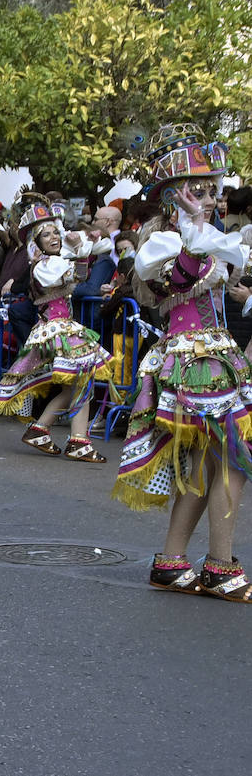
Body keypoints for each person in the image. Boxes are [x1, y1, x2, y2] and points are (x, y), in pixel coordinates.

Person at [113, 125, 252, 602]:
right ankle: (220, 565)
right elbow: (170, 287)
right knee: (231, 458)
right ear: (174, 195)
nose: (209, 197)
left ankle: (173, 562)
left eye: (213, 189)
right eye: (198, 189)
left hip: (216, 354)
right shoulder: (164, 244)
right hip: (192, 359)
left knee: (211, 460)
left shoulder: (208, 237)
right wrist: (195, 238)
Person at [0, 195, 116, 462]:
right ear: (37, 243)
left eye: (56, 232)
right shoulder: (44, 266)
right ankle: (78, 441)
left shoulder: (54, 259)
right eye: (46, 235)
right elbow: (71, 272)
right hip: (55, 331)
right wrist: (79, 247)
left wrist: (82, 240)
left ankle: (40, 429)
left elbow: (100, 248)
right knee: (82, 379)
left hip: (64, 329)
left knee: (78, 384)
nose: (54, 237)